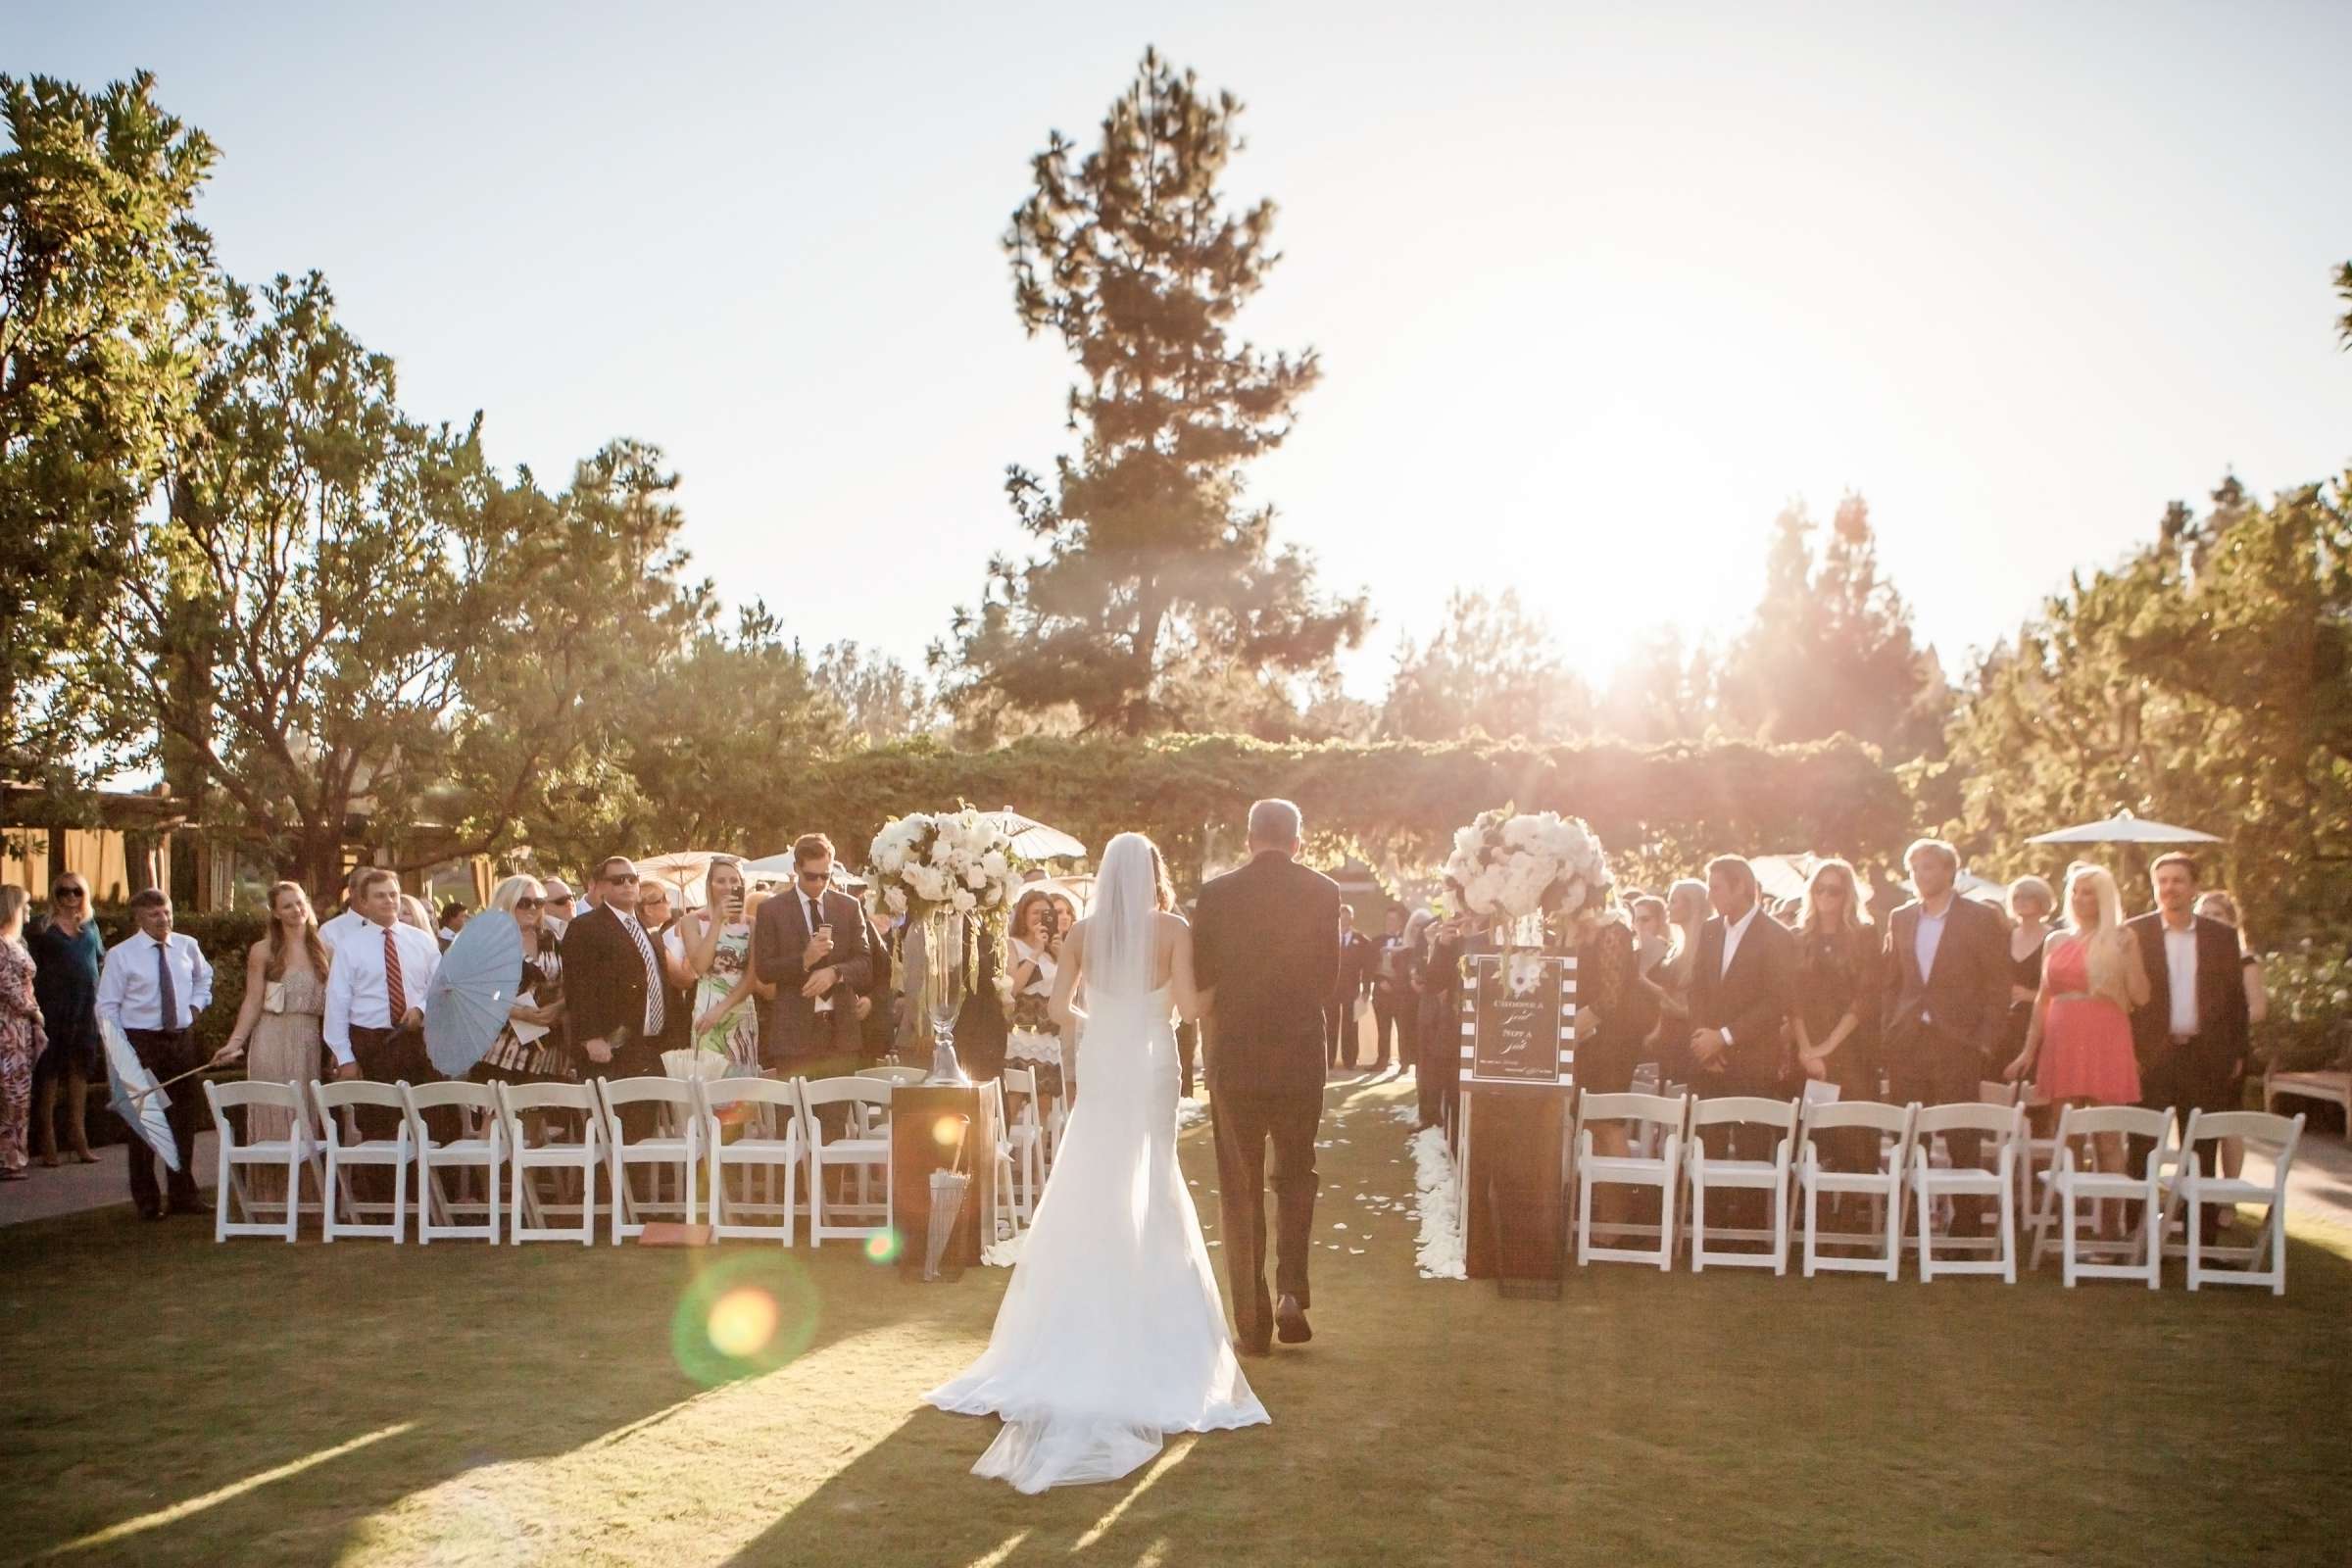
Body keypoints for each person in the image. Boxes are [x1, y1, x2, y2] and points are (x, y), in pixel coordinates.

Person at [924, 831, 1266, 1493]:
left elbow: (1057, 1010)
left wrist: (1103, 1017)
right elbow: (1191, 1009)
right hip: (1153, 1065)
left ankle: (1086, 1307)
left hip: (1107, 1061)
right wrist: (1214, 992)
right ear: (1153, 875)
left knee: (1094, 1180)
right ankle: (1154, 1321)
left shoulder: (1080, 931)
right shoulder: (1172, 928)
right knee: (1152, 1182)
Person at [1191, 798, 1339, 1356]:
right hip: (1301, 1052)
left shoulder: (1218, 894)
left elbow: (1203, 975)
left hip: (1237, 1054)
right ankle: (1291, 1291)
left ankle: (1252, 1321)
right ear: (1297, 841)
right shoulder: (1324, 892)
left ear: (1249, 838)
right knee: (1297, 1173)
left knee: (1240, 1184)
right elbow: (1329, 978)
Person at [2005, 864, 2148, 1237]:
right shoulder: (2055, 940)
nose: (2082, 898)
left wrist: (2130, 954)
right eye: (2076, 891)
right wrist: (2027, 1051)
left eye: (2089, 891)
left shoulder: (2121, 938)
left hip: (2106, 1034)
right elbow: (2042, 1000)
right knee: (2064, 1133)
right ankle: (2065, 1225)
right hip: (2062, 1036)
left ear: (2103, 896)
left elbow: (2141, 996)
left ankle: (2109, 1229)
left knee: (2107, 1136)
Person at [1879, 839, 2011, 1233]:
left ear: (1950, 871)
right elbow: (1893, 980)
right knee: (1908, 1133)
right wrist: (1890, 1024)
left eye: (1930, 867)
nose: (1922, 875)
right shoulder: (1900, 917)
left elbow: (1998, 985)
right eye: (1916, 868)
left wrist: (1986, 1039)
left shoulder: (1979, 918)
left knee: (1962, 1135)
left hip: (1959, 1040)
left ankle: (1966, 1225)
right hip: (1909, 1039)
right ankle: (1909, 1220)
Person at [2127, 854, 2249, 1242]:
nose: (2169, 888)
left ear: (2193, 887)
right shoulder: (2135, 933)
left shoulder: (2221, 937)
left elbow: (2235, 1002)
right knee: (2142, 1147)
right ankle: (2137, 1234)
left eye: (2177, 880)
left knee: (2201, 1149)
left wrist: (2238, 1054)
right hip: (2152, 1058)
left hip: (2205, 1056)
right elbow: (2124, 1001)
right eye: (2162, 881)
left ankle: (2203, 1238)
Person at [94, 889, 215, 1218]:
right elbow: (107, 1007)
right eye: (154, 915)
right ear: (139, 918)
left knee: (183, 1120)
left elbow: (204, 979)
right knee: (146, 1122)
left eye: (166, 912)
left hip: (180, 1039)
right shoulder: (122, 955)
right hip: (141, 1041)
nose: (164, 920)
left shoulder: (187, 946)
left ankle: (183, 1194)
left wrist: (194, 1006)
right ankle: (147, 1200)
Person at [219, 882, 330, 1205]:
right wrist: (236, 1040)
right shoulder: (263, 950)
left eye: (299, 903)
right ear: (276, 913)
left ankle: (307, 1200)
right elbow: (253, 1000)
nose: (296, 911)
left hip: (308, 1037)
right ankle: (270, 1199)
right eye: (287, 906)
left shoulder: (326, 949)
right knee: (273, 1111)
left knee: (304, 1113)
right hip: (271, 1035)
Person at [1687, 857, 1798, 1175]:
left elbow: (1777, 1001)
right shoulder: (1709, 930)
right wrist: (1701, 1040)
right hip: (1708, 1063)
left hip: (1752, 1064)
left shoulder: (1778, 936)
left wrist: (1723, 1038)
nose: (1710, 895)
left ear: (1741, 887)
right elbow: (1696, 990)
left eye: (1716, 887)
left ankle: (1749, 1224)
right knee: (1707, 1155)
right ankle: (1707, 1224)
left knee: (1752, 1158)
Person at [324, 868, 443, 1162]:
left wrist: (421, 1010)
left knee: (427, 1122)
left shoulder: (423, 941)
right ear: (362, 903)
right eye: (380, 896)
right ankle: (383, 1204)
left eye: (393, 894)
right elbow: (337, 1004)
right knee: (379, 1127)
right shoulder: (350, 946)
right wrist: (345, 1057)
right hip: (372, 1042)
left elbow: (441, 988)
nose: (389, 901)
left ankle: (424, 1200)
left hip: (417, 1040)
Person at [749, 835, 871, 1075]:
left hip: (841, 1035)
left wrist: (835, 973)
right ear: (796, 869)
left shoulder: (848, 906)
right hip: (793, 1038)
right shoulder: (772, 909)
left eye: (825, 876)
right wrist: (803, 960)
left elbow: (866, 962)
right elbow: (764, 970)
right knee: (796, 1112)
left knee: (837, 1111)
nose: (818, 883)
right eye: (811, 876)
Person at [1791, 858, 1881, 1171]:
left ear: (1847, 895)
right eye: (1820, 888)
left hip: (1852, 1050)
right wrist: (1807, 1049)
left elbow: (1865, 997)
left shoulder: (1865, 936)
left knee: (1854, 1140)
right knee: (1814, 1140)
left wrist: (1828, 1045)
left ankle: (1852, 1217)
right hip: (1806, 1051)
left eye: (1835, 890)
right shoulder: (1799, 938)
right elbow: (1793, 1001)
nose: (1826, 896)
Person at [562, 858, 670, 1083]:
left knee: (645, 1117)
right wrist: (591, 1038)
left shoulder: (648, 927)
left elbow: (659, 981)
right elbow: (578, 986)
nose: (628, 885)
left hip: (651, 1047)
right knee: (613, 1118)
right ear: (601, 886)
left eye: (632, 879)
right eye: (619, 880)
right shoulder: (585, 927)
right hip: (609, 1050)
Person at [2195, 889, 2266, 1200]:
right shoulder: (2192, 956)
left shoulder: (2244, 959)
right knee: (2197, 1121)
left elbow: (2258, 1009)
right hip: (2193, 1050)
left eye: (2218, 915)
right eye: (2205, 915)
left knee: (2227, 1120)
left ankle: (2228, 1197)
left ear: (2231, 921)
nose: (2211, 921)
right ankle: (2196, 1193)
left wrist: (2224, 1032)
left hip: (2228, 1048)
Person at [27, 872, 102, 1166]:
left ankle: (79, 1139)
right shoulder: (41, 929)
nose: (70, 898)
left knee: (80, 1072)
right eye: (63, 892)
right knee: (49, 1075)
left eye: (76, 892)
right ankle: (48, 1143)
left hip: (85, 1008)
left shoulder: (90, 928)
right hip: (53, 1009)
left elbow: (98, 962)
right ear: (54, 895)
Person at [664, 857, 764, 1073]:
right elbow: (700, 965)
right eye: (721, 881)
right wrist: (717, 920)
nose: (728, 887)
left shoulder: (752, 924)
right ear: (710, 884)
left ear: (742, 885)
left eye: (734, 881)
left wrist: (722, 1009)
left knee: (741, 1091)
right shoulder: (691, 921)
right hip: (706, 1008)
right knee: (709, 1081)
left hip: (740, 1011)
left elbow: (751, 978)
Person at [471, 875, 570, 1085]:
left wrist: (559, 1007)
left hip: (549, 1047)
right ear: (507, 902)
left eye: (538, 902)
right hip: (501, 1048)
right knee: (499, 1114)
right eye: (524, 902)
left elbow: (573, 983)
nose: (532, 908)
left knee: (539, 1111)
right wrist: (521, 1013)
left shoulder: (552, 940)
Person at [1005, 889, 1067, 1097]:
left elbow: (1069, 991)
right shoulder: (1013, 944)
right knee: (1016, 1094)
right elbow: (1012, 987)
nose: (1040, 918)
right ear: (1023, 915)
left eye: (1046, 913)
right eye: (1035, 912)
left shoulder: (1054, 952)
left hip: (1048, 1035)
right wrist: (1035, 952)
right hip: (1021, 1033)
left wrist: (1062, 957)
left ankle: (1041, 1131)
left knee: (1045, 1098)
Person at [0, 887, 42, 1179]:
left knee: (19, 1094)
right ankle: (8, 1158)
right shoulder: (2, 946)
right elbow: (9, 987)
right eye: (24, 906)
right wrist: (33, 1010)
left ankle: (15, 1155)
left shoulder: (17, 943)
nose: (29, 911)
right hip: (7, 1027)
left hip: (21, 1027)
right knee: (10, 1094)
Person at [2003, 877, 2057, 1070]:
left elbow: (2064, 986)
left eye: (2029, 896)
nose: (2021, 901)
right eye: (2016, 897)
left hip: (2042, 1022)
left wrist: (2030, 995)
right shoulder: (2004, 936)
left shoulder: (2056, 937)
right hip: (2005, 1022)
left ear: (2041, 900)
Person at [1369, 906, 1415, 1074]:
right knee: (1383, 1029)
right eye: (1388, 919)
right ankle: (1382, 1061)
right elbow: (1369, 966)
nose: (1390, 922)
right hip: (1381, 995)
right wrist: (1379, 981)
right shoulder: (1376, 941)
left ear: (1401, 922)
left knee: (1403, 1029)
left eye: (1394, 919)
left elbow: (1410, 968)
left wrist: (1395, 986)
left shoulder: (1408, 942)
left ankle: (1405, 1062)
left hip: (1401, 994)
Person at [1328, 906, 1375, 1070]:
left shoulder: (1361, 940)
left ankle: (1350, 1061)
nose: (1345, 920)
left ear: (1352, 918)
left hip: (1351, 988)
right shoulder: (1329, 938)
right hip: (1331, 989)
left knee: (1350, 1025)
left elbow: (1368, 967)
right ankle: (1329, 1060)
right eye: (1342, 917)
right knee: (1330, 1025)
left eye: (1348, 917)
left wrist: (1367, 989)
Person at [318, 864, 373, 956]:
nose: (369, 895)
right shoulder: (329, 932)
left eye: (376, 892)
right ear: (351, 892)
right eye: (364, 890)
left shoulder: (390, 930)